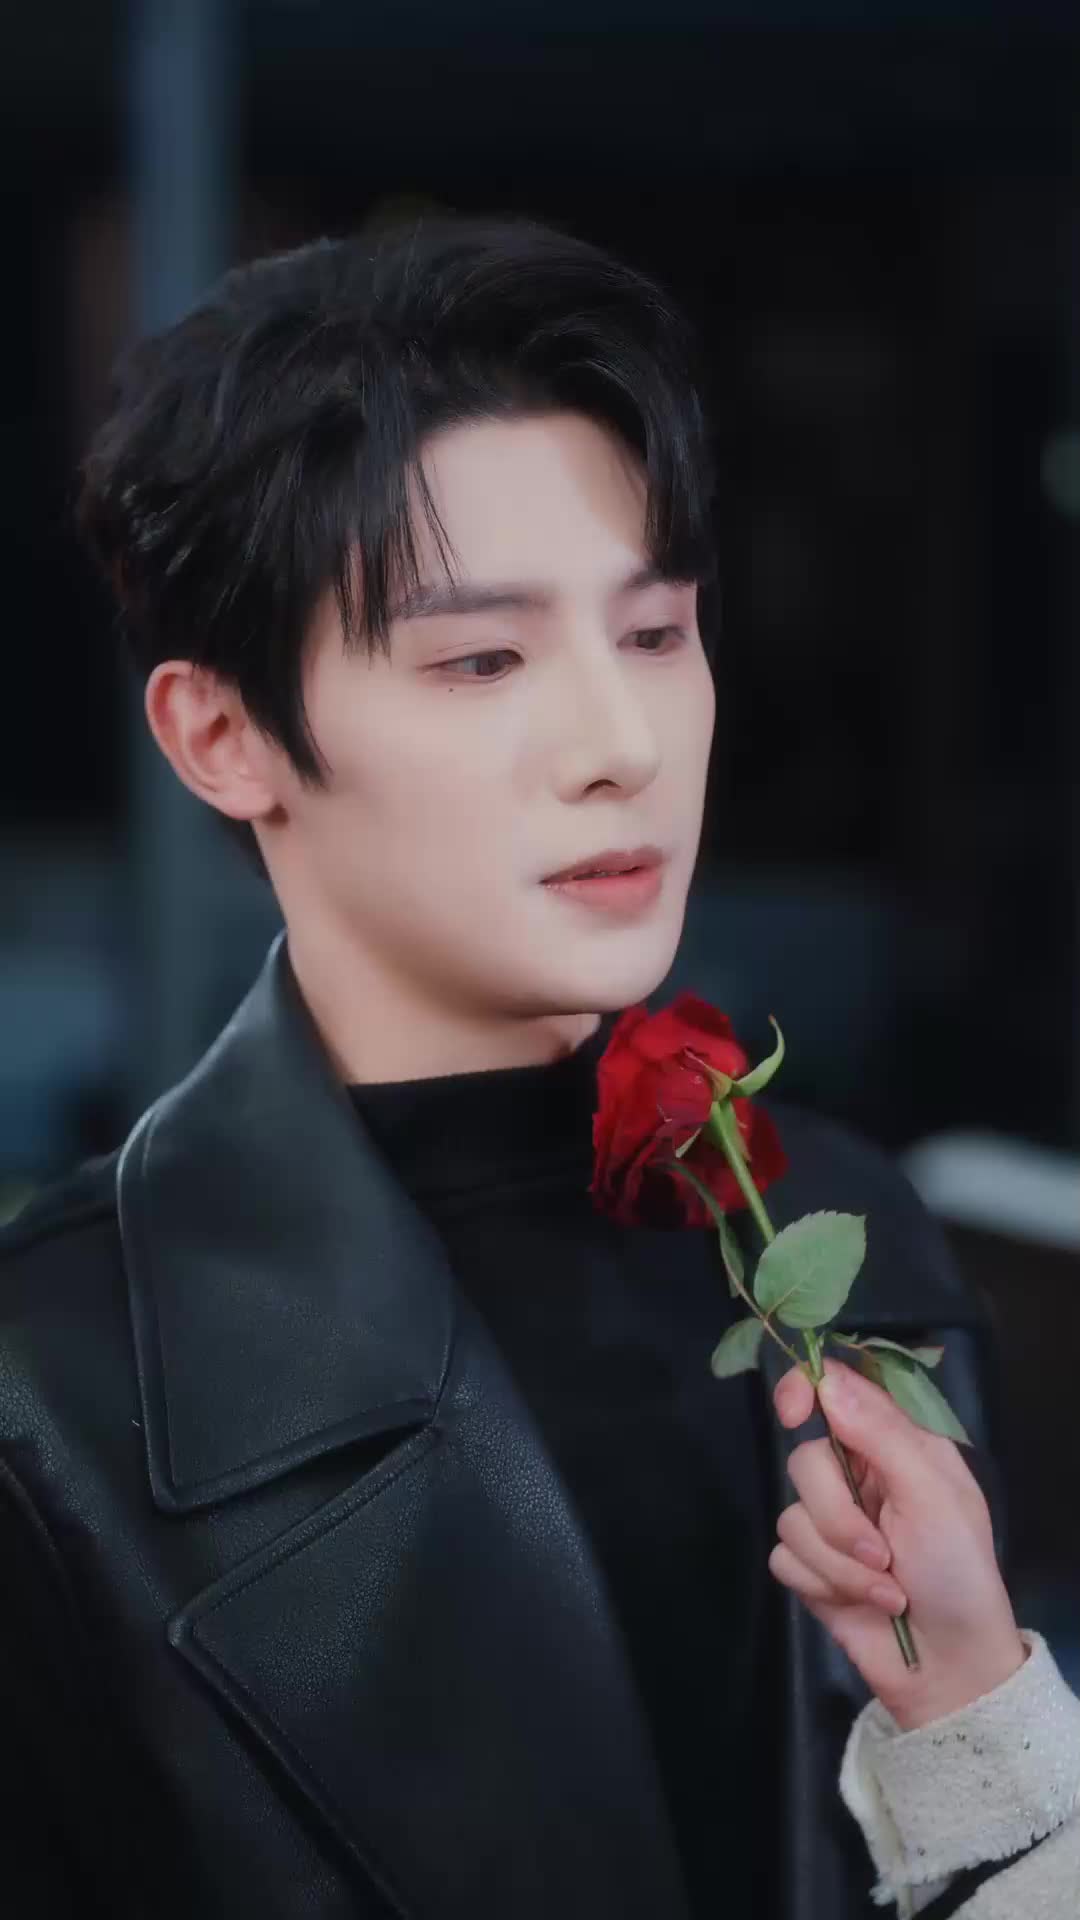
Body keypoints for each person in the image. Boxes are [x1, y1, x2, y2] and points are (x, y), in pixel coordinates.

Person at [2, 215, 1077, 1920]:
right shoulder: (50, 1396)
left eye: (654, 632)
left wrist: (981, 1729)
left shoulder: (857, 1233)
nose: (619, 745)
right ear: (223, 736)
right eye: (482, 659)